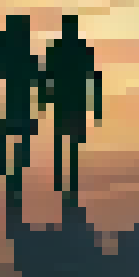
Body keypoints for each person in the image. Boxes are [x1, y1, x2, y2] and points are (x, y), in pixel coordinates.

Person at [39, 14, 103, 195]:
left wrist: (44, 99)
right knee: (68, 140)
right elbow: (93, 78)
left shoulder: (58, 48)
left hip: (67, 98)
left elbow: (46, 75)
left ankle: (63, 178)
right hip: (71, 98)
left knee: (65, 140)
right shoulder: (80, 48)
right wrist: (95, 106)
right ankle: (66, 179)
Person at [0, 13, 43, 188]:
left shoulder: (15, 54)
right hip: (15, 98)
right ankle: (11, 164)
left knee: (12, 131)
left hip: (17, 98)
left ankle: (12, 165)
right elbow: (37, 78)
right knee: (12, 131)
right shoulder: (20, 55)